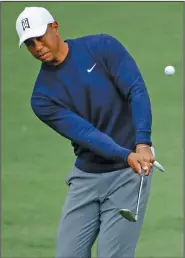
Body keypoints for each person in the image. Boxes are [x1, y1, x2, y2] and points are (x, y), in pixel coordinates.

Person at [16, 6, 156, 258]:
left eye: (40, 37)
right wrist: (127, 154)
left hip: (128, 174)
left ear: (55, 27)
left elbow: (136, 89)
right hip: (87, 177)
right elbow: (85, 133)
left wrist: (143, 142)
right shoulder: (42, 97)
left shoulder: (102, 47)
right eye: (29, 43)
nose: (37, 47)